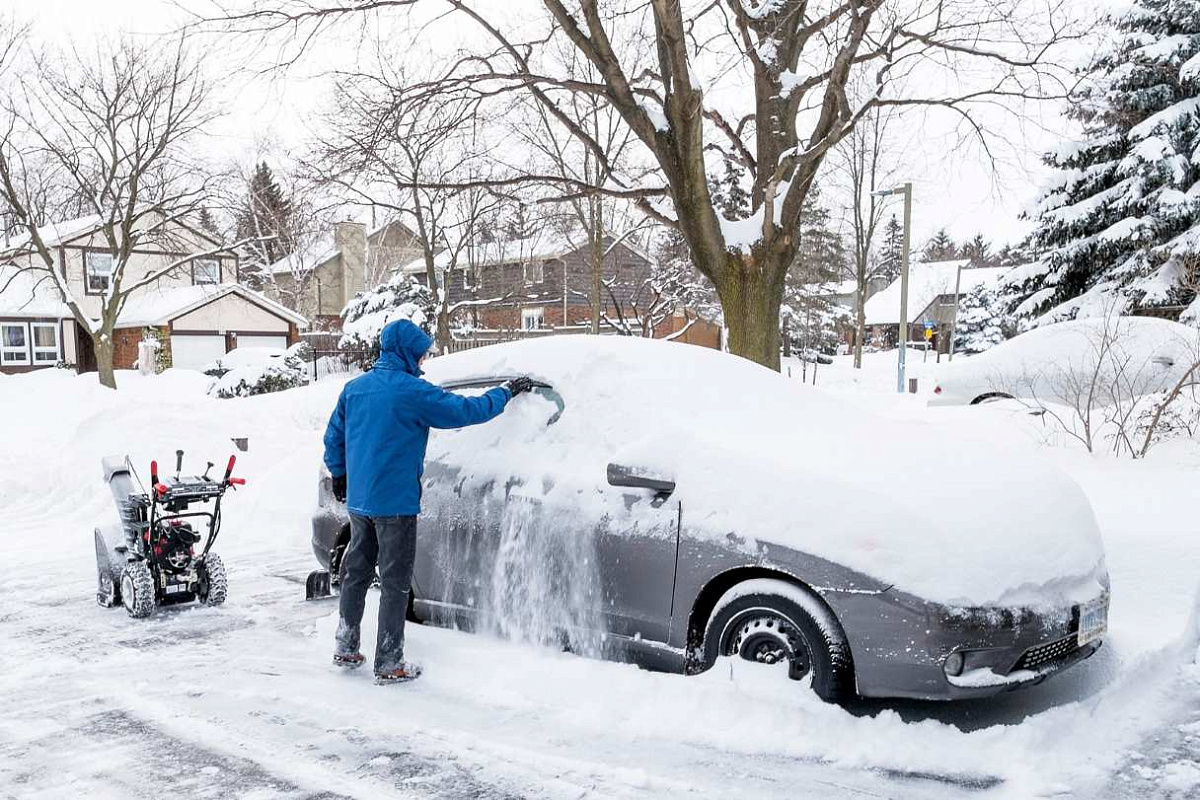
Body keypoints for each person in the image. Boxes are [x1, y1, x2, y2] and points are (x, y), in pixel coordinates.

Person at [322, 318, 533, 685]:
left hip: (360, 500)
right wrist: (506, 391)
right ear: (405, 351)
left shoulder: (355, 389)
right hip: (396, 504)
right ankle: (388, 662)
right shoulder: (412, 392)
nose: (423, 362)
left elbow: (333, 437)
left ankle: (346, 644)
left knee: (355, 572)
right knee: (394, 581)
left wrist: (340, 474)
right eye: (420, 354)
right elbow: (468, 411)